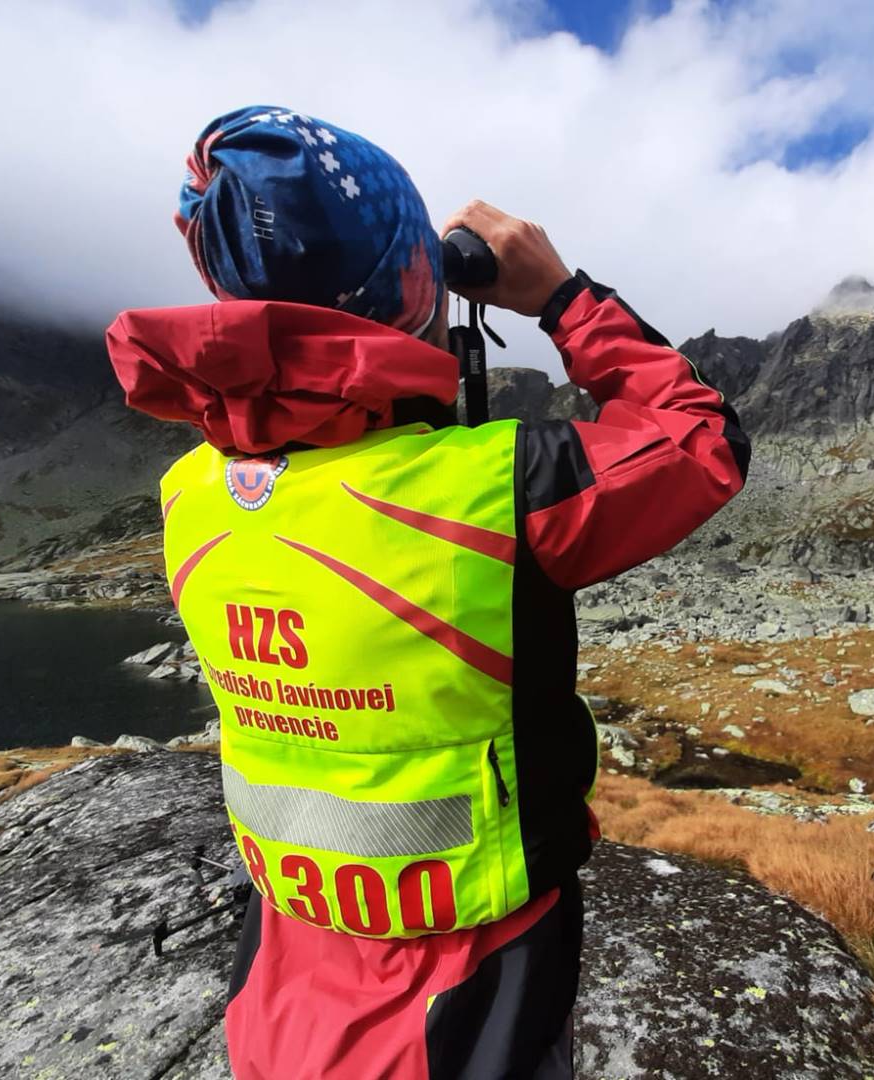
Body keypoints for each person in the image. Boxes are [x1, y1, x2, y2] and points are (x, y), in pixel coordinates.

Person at [106, 105, 749, 1079]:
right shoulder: (500, 493)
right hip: (474, 984)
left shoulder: (191, 494)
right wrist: (563, 295)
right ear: (408, 289)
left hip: (283, 957)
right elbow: (701, 437)